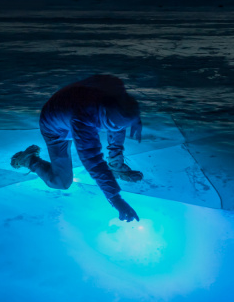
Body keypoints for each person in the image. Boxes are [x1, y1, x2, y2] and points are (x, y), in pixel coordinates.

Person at [11, 74, 144, 222]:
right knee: (62, 182)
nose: (118, 128)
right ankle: (30, 160)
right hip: (55, 128)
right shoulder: (84, 118)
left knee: (118, 125)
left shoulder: (115, 87)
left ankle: (115, 165)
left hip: (71, 107)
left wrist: (135, 118)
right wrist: (115, 199)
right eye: (112, 124)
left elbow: (125, 105)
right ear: (102, 113)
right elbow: (93, 162)